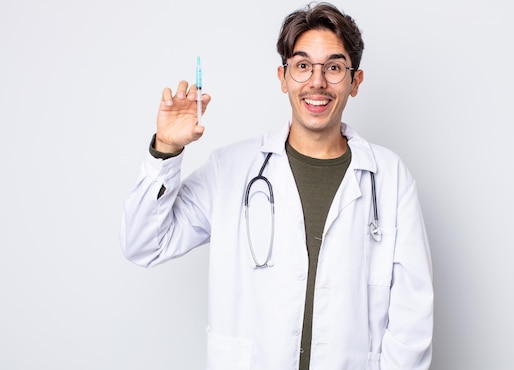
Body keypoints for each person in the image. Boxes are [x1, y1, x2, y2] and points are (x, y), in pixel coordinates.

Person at [120, 2, 433, 369]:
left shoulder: (391, 178)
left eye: (333, 67)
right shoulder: (231, 169)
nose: (317, 82)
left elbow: (413, 318)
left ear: (355, 81)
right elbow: (143, 245)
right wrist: (166, 150)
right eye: (302, 66)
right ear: (283, 77)